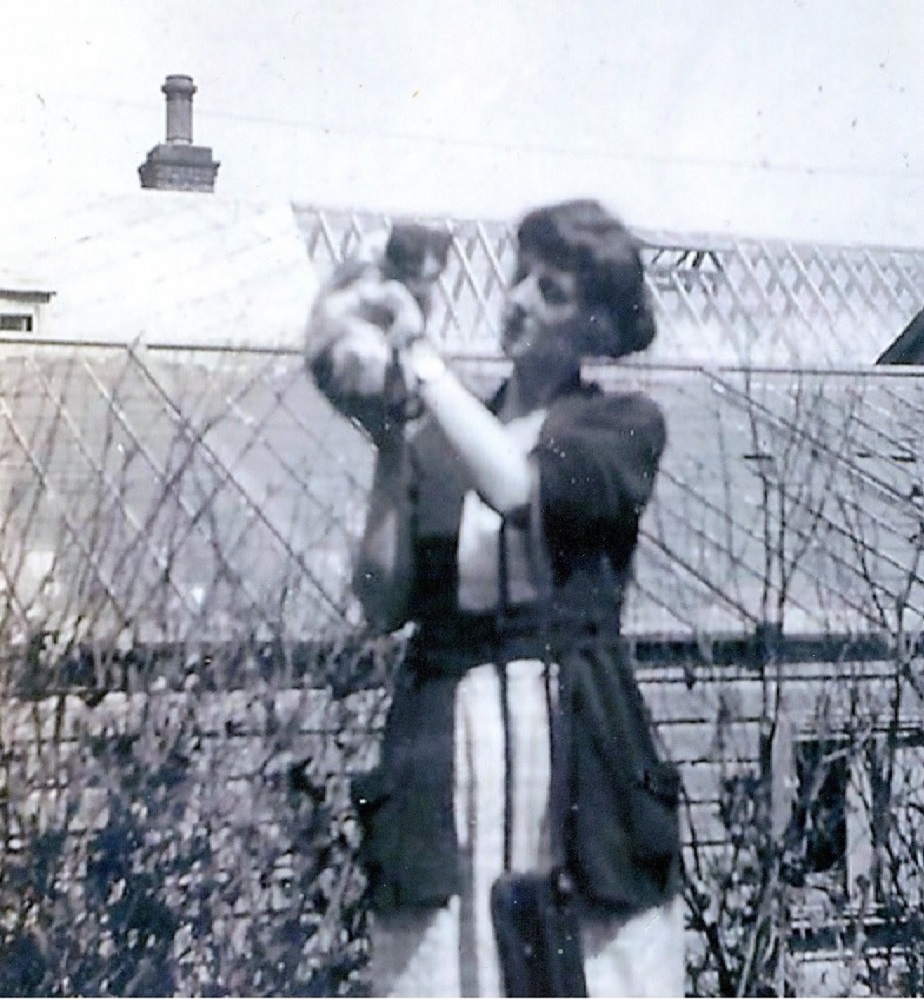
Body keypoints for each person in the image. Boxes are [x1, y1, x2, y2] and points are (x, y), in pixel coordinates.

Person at [308, 199, 684, 997]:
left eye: (551, 292)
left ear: (599, 326)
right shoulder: (447, 422)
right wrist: (388, 445)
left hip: (576, 756)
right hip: (450, 753)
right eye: (520, 277)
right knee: (449, 969)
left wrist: (422, 361)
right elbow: (382, 600)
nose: (516, 300)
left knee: (591, 968)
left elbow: (516, 486)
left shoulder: (620, 425)